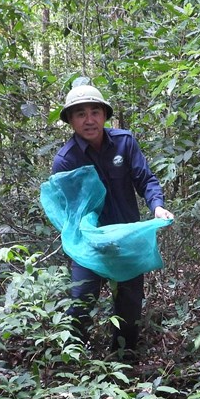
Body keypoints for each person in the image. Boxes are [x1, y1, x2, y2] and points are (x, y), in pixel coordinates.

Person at [51, 83, 174, 358]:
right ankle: (73, 364)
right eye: (80, 114)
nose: (89, 119)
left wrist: (157, 206)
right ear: (70, 120)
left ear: (105, 115)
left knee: (129, 306)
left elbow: (146, 179)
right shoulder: (66, 160)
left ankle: (124, 361)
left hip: (126, 242)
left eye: (95, 111)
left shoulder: (124, 142)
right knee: (81, 301)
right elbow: (68, 211)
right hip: (89, 245)